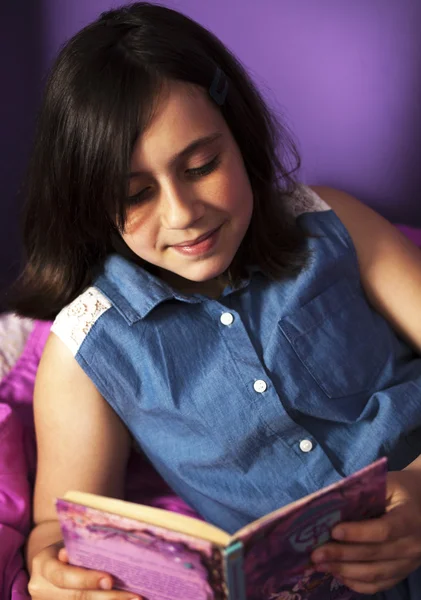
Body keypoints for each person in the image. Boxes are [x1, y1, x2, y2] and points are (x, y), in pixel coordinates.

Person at [10, 2, 421, 599]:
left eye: (202, 166)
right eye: (136, 194)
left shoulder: (331, 223)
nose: (182, 214)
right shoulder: (86, 349)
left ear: (241, 139)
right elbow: (58, 530)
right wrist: (57, 575)